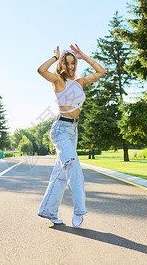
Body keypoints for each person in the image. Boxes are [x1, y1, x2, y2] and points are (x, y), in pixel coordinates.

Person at [37, 44, 106, 228]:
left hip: (73, 131)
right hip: (60, 130)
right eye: (66, 63)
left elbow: (101, 71)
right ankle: (79, 211)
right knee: (74, 166)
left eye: (73, 63)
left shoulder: (80, 82)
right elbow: (40, 70)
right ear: (62, 64)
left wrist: (84, 56)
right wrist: (55, 57)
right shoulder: (58, 81)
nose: (70, 67)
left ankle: (48, 210)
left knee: (61, 173)